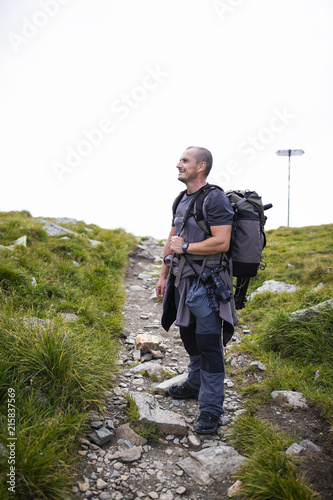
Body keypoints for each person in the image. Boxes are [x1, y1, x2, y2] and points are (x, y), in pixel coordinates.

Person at [156, 146, 238, 434]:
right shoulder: (181, 199)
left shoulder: (214, 198)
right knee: (188, 336)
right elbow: (172, 237)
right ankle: (194, 383)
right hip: (181, 281)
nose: (178, 164)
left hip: (207, 286)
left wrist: (188, 247)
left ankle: (212, 408)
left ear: (200, 167)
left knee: (209, 344)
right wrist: (164, 274)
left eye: (185, 161)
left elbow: (222, 241)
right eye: (180, 160)